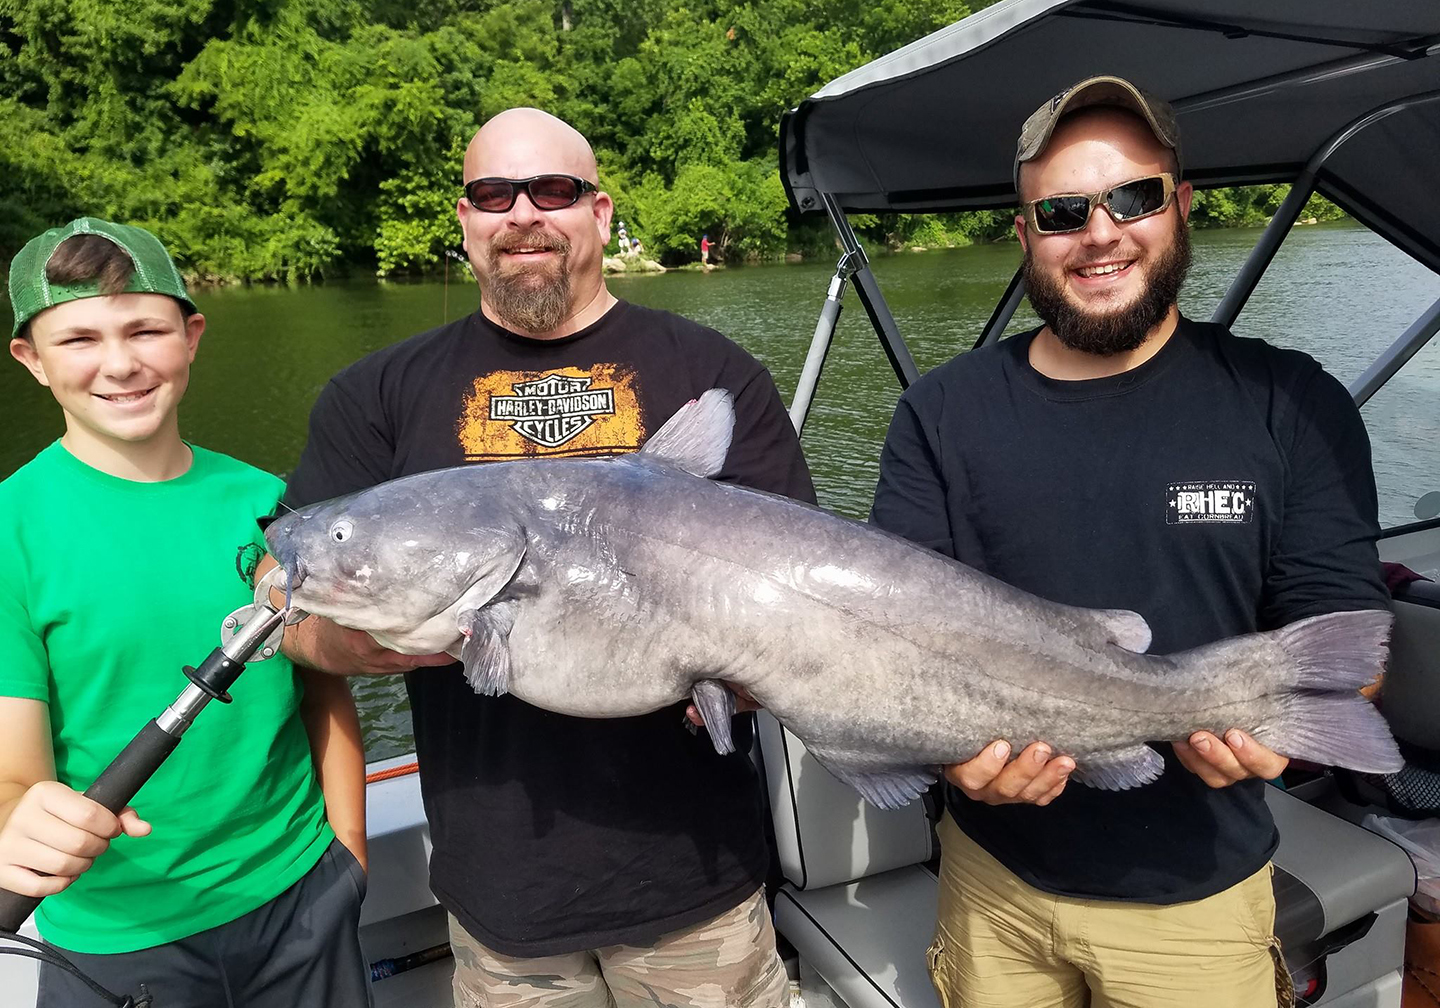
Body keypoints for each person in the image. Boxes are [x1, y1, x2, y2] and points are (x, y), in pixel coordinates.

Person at [267, 108, 813, 1008]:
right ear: (466, 221)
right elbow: (280, 588)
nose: (524, 214)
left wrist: (759, 670)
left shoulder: (709, 372)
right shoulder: (376, 394)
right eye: (495, 194)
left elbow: (796, 592)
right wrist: (351, 647)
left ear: (599, 213)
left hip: (695, 887)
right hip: (501, 908)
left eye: (553, 190)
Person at [871, 76, 1389, 1008]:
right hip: (990, 891)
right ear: (1025, 232)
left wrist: (1284, 737)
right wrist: (953, 761)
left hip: (1196, 901)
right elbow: (896, 643)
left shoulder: (1292, 404)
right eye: (1063, 210)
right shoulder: (938, 415)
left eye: (1134, 198)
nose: (1101, 233)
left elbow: (1344, 639)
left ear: (1181, 207)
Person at [0, 218, 372, 1006]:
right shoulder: (13, 532)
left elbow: (323, 694)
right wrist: (17, 821)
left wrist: (348, 855)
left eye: (145, 329)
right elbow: (12, 777)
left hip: (303, 895)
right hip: (116, 941)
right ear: (31, 360)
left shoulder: (267, 502)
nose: (121, 363)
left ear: (191, 335)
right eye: (78, 340)